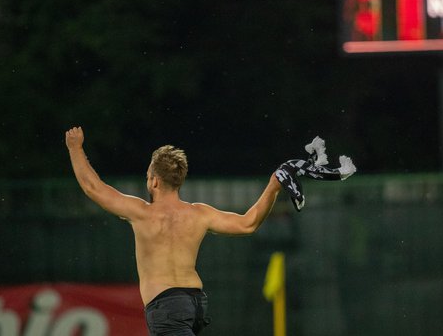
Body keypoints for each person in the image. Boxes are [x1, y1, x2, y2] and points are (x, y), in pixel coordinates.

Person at [65, 126, 283, 335]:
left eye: (148, 176)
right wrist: (273, 186)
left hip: (167, 307)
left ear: (155, 181)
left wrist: (75, 148)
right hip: (196, 303)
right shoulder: (199, 214)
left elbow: (92, 187)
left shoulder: (142, 213)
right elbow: (248, 223)